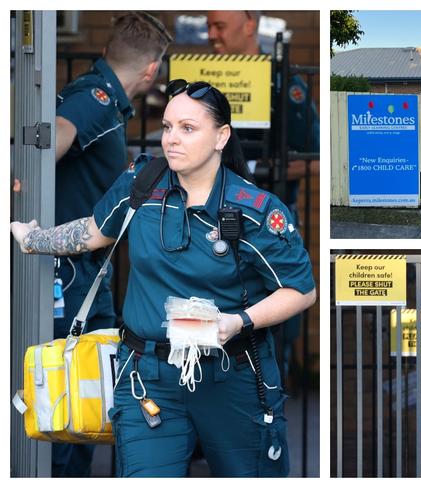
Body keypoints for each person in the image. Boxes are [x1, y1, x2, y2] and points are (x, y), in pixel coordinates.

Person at [11, 79, 317, 477]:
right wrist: (32, 238)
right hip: (148, 376)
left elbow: (301, 290)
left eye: (188, 129)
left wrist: (238, 321)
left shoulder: (255, 209)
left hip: (232, 375)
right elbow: (94, 232)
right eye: (168, 126)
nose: (172, 139)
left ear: (221, 136)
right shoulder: (142, 185)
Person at [51, 12, 172, 477]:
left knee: (89, 394)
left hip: (85, 271)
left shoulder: (102, 97)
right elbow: (53, 138)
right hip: (69, 272)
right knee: (72, 398)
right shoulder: (96, 100)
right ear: (151, 70)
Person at [207, 10, 319, 380]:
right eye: (208, 24)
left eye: (219, 25)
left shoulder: (283, 81)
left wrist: (260, 174)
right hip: (211, 221)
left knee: (276, 320)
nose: (211, 34)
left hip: (269, 219)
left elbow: (315, 159)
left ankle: (272, 400)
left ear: (250, 25)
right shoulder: (205, 84)